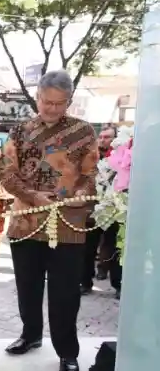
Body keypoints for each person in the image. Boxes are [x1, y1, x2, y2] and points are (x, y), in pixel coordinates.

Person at [0, 70, 99, 371]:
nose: (52, 109)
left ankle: (67, 351)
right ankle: (31, 334)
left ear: (68, 101)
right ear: (37, 97)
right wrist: (31, 195)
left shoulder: (83, 132)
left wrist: (78, 197)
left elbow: (91, 177)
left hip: (67, 226)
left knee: (65, 293)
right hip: (25, 222)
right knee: (27, 287)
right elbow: (6, 173)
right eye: (47, 102)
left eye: (60, 103)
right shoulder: (20, 130)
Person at [81, 124, 121, 296]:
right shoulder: (90, 157)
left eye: (108, 137)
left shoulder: (122, 157)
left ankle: (117, 284)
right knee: (87, 248)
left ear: (115, 139)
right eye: (102, 136)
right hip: (91, 210)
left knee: (113, 247)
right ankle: (85, 282)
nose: (103, 139)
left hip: (114, 209)